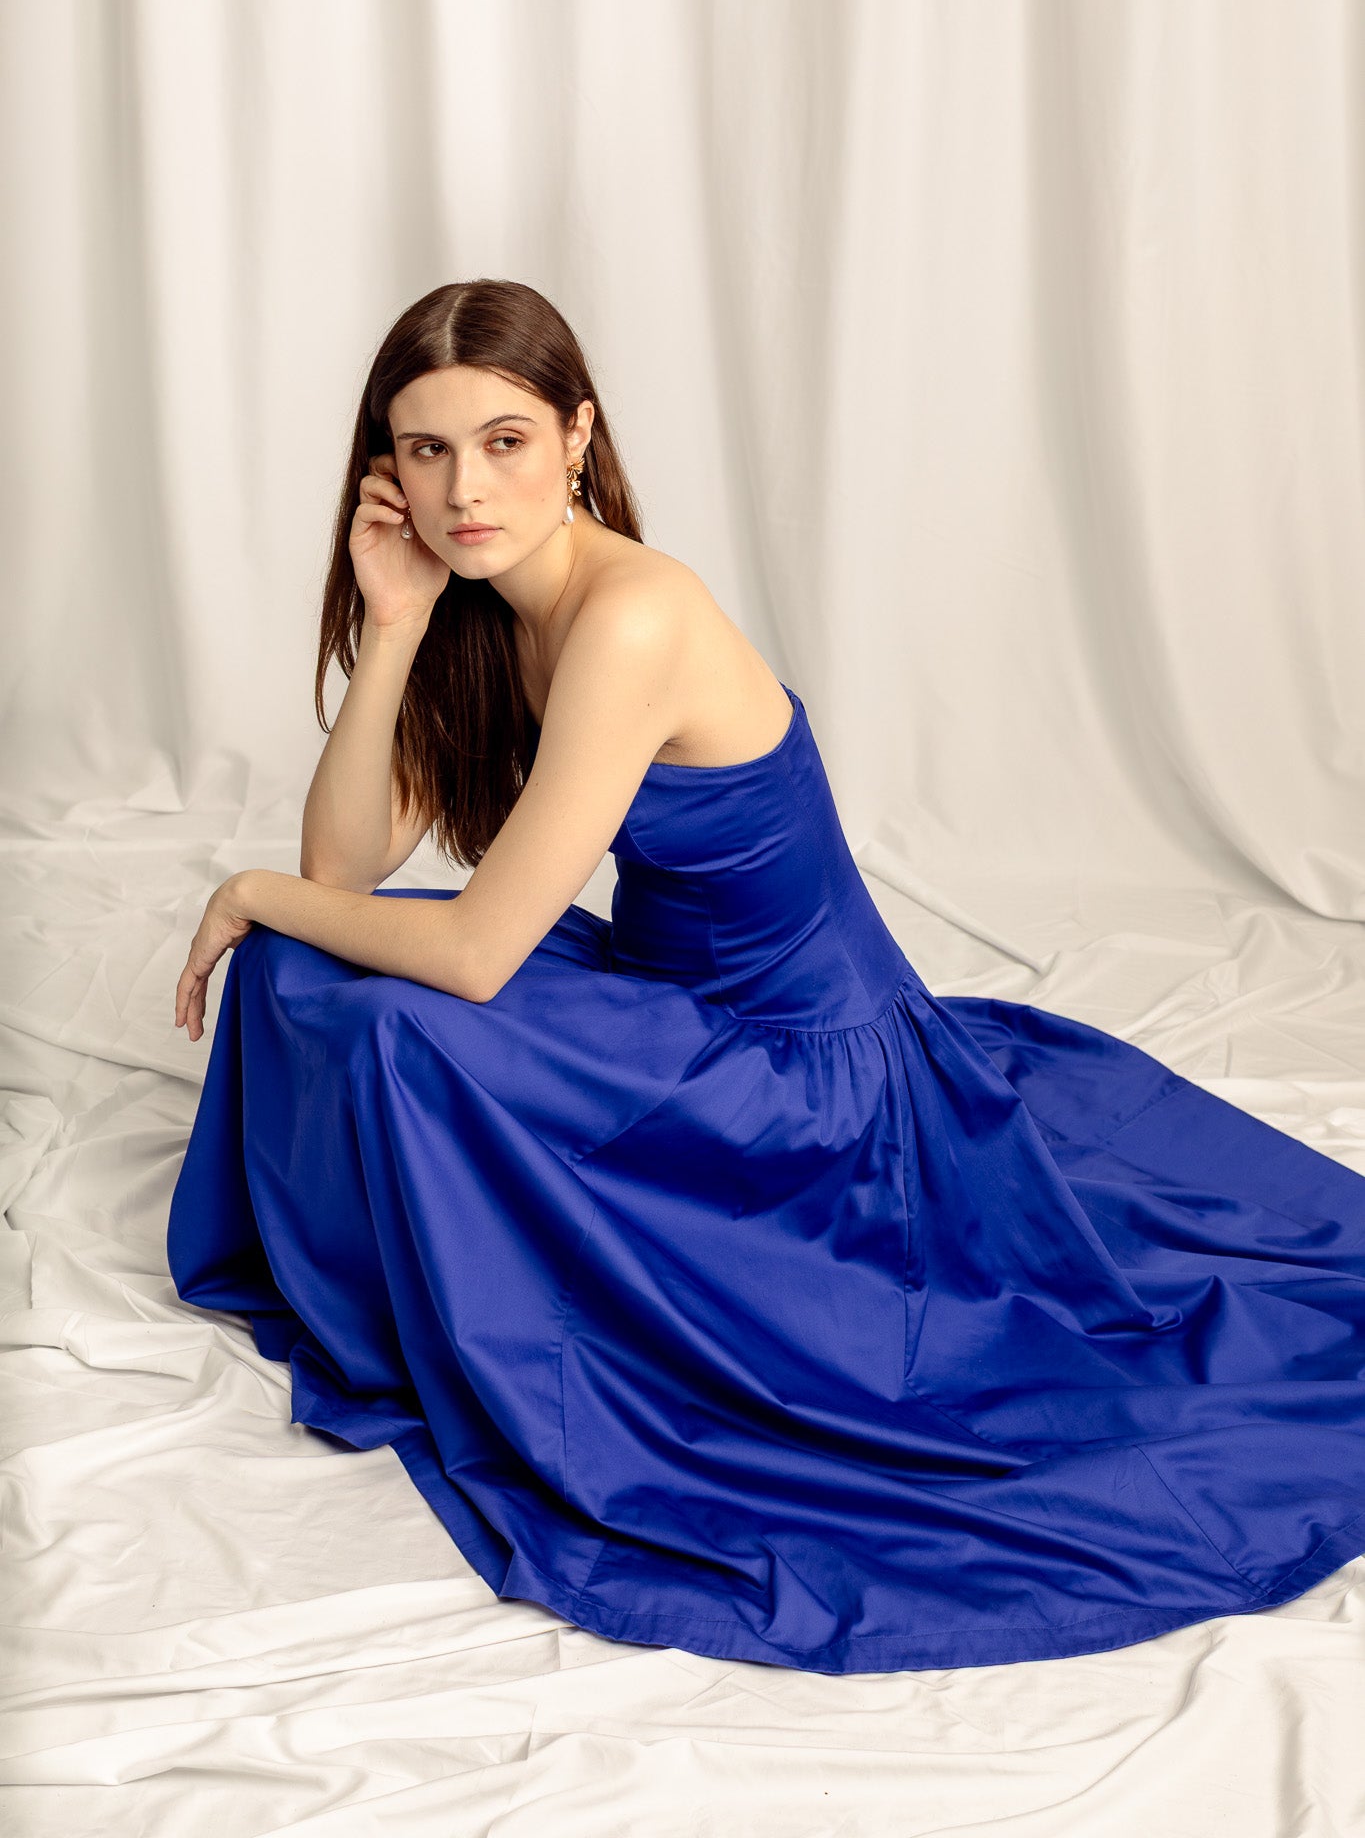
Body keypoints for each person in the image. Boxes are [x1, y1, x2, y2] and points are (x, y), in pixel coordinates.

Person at [167, 278, 1365, 1676]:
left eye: (503, 442)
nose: (463, 489)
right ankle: (440, 1285)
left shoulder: (634, 615)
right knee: (300, 969)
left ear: (576, 436)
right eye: (426, 451)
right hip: (672, 1014)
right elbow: (344, 872)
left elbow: (471, 952)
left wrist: (248, 893)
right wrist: (390, 627)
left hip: (809, 1088)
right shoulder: (490, 603)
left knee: (366, 1001)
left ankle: (498, 1295)